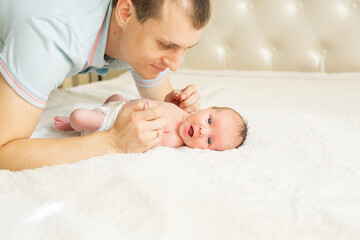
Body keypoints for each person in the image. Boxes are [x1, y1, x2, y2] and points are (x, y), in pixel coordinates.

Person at [0, 0, 211, 170]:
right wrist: (112, 141)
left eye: (186, 49)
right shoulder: (51, 36)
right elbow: (3, 151)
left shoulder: (133, 38)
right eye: (165, 45)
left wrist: (174, 108)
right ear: (125, 13)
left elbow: (161, 103)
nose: (174, 65)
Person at [54, 94, 248, 150]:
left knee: (79, 116)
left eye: (208, 141)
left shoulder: (174, 140)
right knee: (114, 96)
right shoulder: (182, 111)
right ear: (207, 108)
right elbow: (162, 104)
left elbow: (147, 138)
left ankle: (73, 126)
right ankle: (105, 107)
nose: (201, 131)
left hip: (114, 121)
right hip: (122, 103)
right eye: (209, 121)